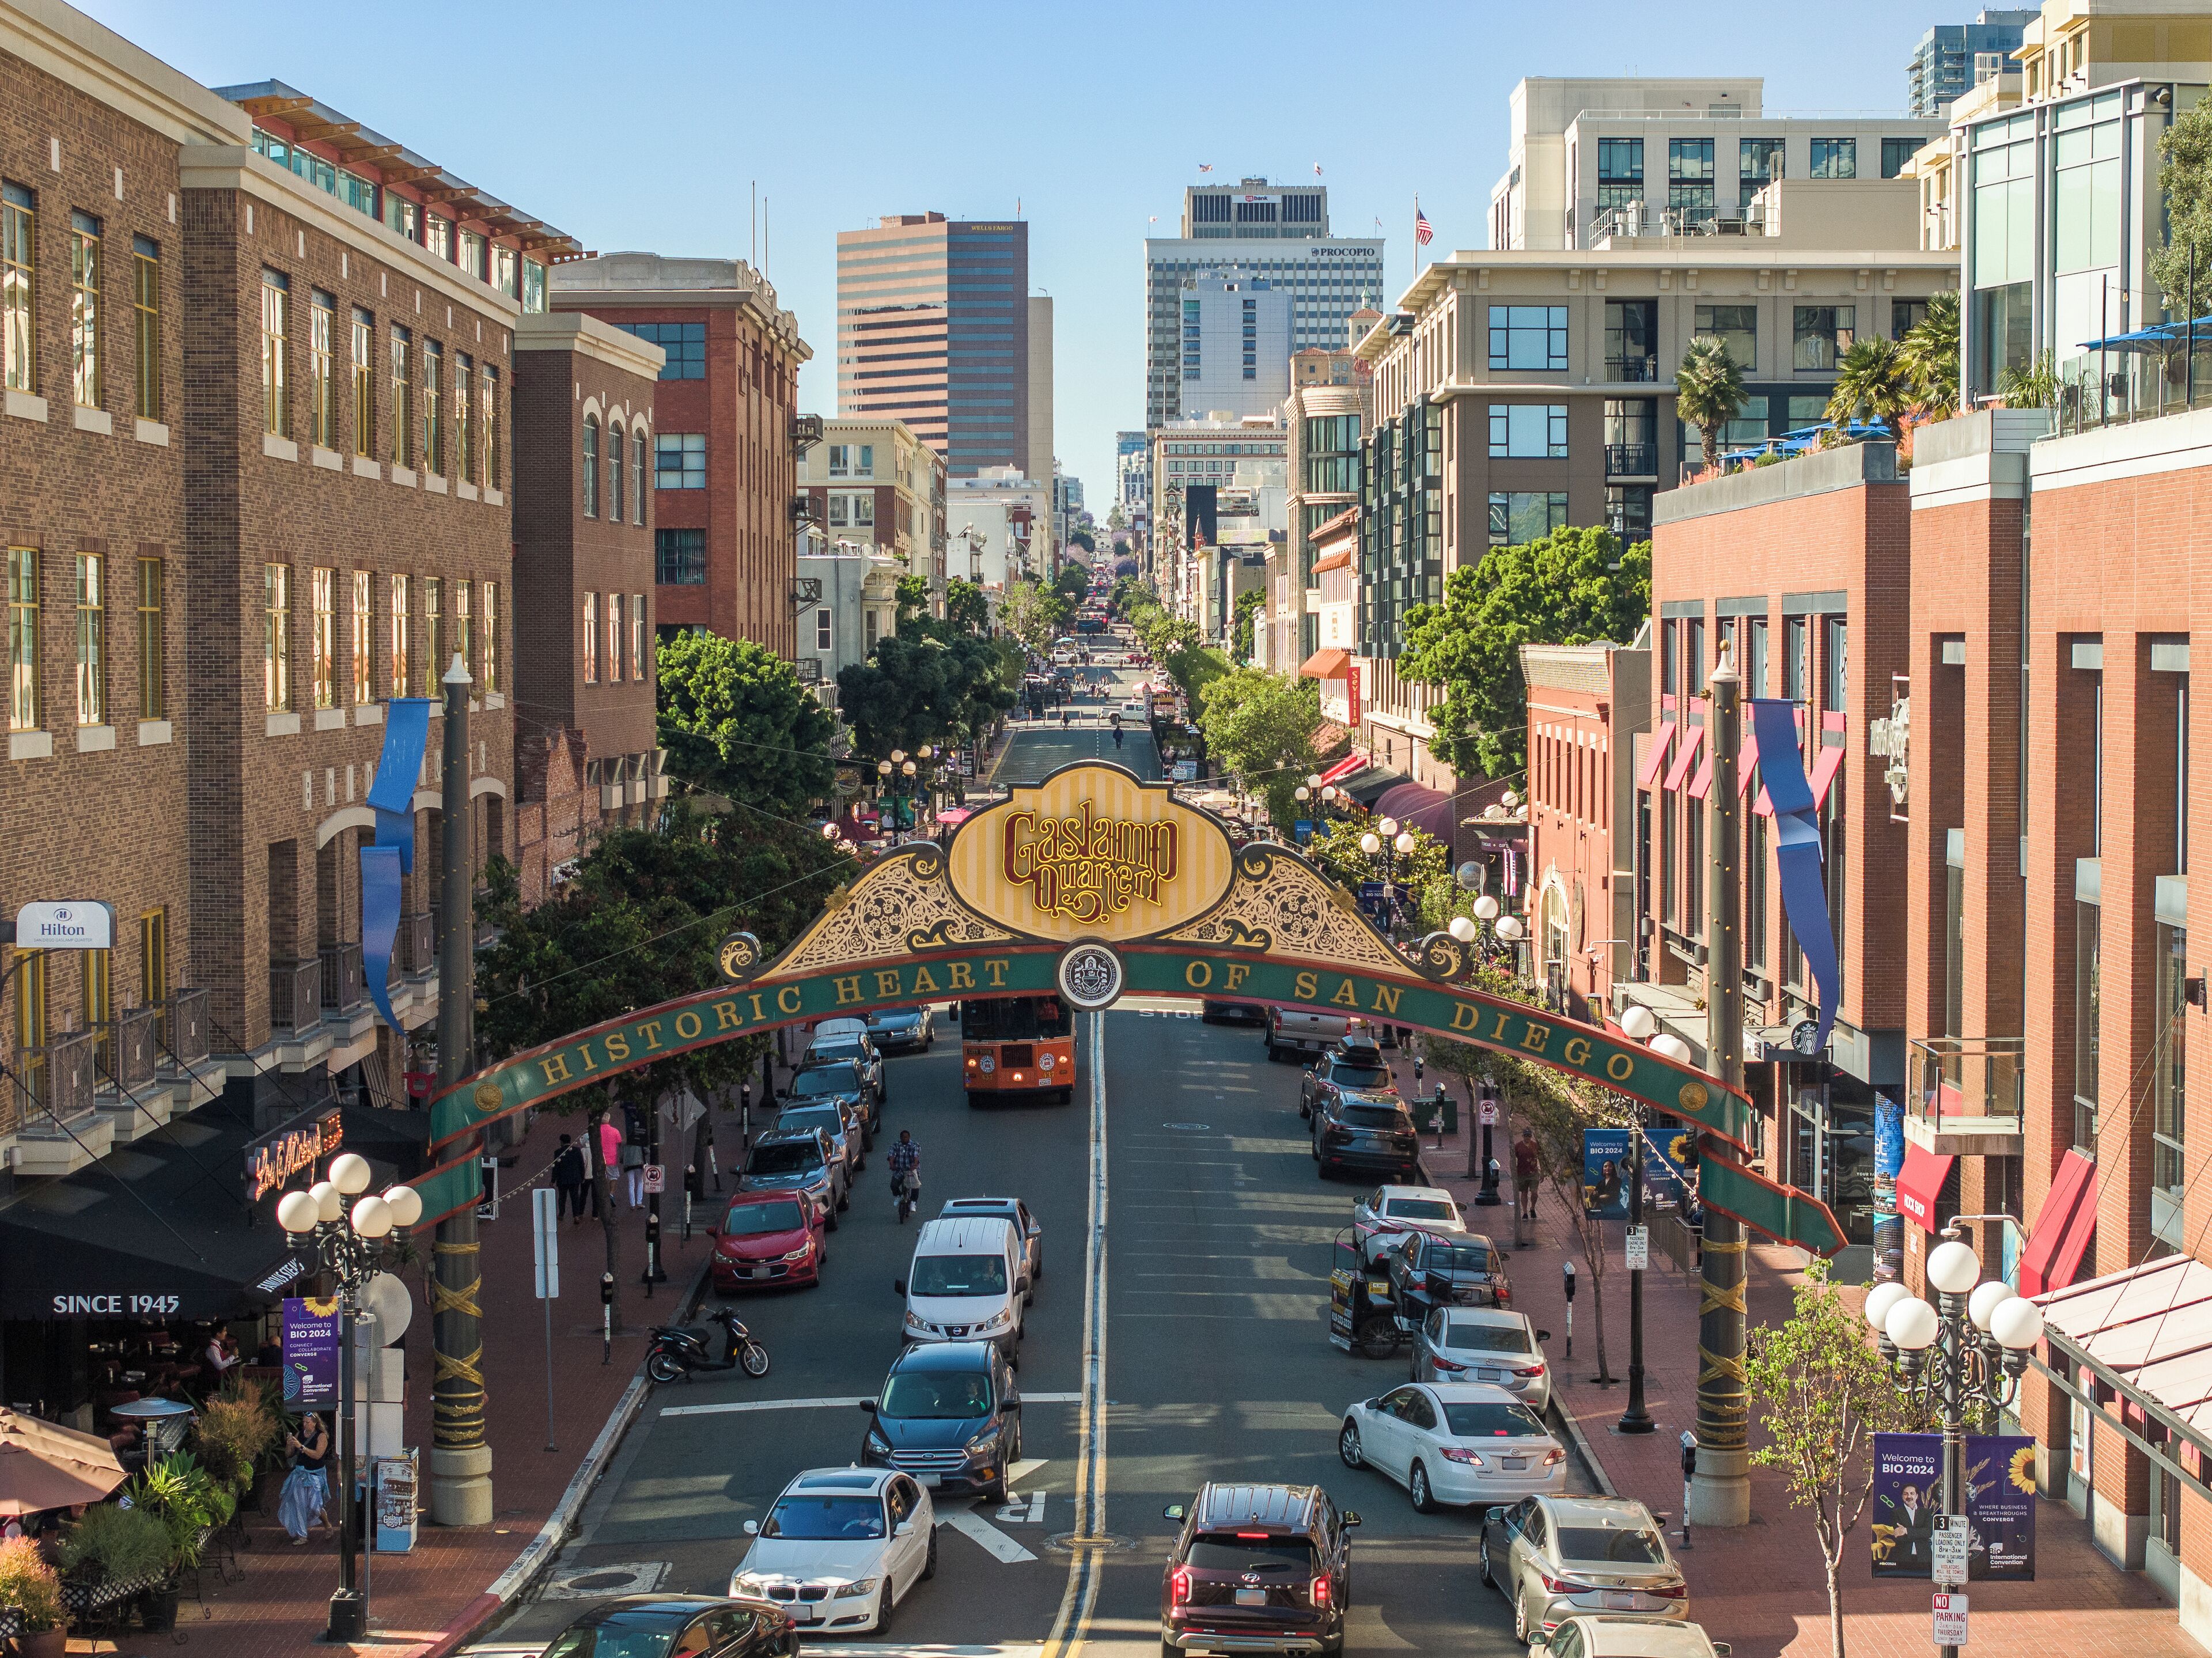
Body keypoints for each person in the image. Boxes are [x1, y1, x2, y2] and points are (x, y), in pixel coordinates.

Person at [279, 1412, 332, 1543]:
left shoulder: (321, 1436)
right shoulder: (299, 1435)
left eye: (308, 1422)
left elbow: (317, 1455)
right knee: (299, 1504)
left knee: (315, 1506)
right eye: (304, 1422)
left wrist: (301, 1447)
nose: (305, 1424)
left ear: (315, 1423)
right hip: (300, 1474)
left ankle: (328, 1525)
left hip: (315, 1475)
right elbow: (288, 1455)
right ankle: (302, 1535)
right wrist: (290, 1445)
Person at [552, 1133, 588, 1223]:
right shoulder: (577, 1151)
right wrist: (582, 1176)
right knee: (575, 1197)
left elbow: (555, 1168)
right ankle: (576, 1216)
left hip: (562, 1179)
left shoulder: (558, 1152)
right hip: (575, 1178)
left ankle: (561, 1214)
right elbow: (581, 1165)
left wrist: (553, 1180)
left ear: (561, 1142)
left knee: (562, 1197)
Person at [1513, 1126, 1542, 1220]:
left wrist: (1543, 1171)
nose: (1527, 1138)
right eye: (1526, 1136)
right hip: (1522, 1173)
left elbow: (1541, 1157)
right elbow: (1513, 1159)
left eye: (1529, 1136)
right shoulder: (1518, 1146)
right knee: (1524, 1192)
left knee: (1534, 1192)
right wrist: (1514, 1173)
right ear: (1523, 1136)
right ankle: (1525, 1212)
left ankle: (1532, 1208)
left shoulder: (1535, 1145)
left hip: (1533, 1172)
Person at [597, 1114, 625, 1212]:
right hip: (612, 1159)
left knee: (602, 1178)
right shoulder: (615, 1131)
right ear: (609, 1120)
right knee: (613, 1177)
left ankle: (603, 1195)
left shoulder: (596, 1131)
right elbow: (620, 1143)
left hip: (600, 1159)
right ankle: (611, 1193)